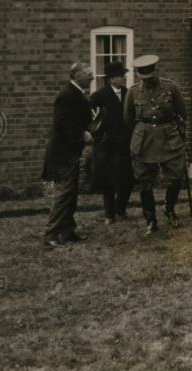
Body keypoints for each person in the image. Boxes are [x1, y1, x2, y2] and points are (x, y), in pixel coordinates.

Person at [124, 54, 188, 236]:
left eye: (150, 77)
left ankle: (169, 208)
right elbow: (128, 119)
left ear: (155, 72)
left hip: (169, 137)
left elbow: (182, 113)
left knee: (176, 176)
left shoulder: (170, 87)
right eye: (143, 78)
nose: (147, 81)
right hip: (144, 140)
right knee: (145, 182)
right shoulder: (133, 92)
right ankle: (150, 220)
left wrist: (180, 134)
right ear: (138, 75)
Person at [41, 62, 94, 248]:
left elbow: (84, 119)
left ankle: (67, 231)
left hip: (70, 152)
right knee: (63, 194)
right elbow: (62, 123)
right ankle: (50, 235)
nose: (92, 77)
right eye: (89, 74)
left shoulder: (78, 95)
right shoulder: (66, 95)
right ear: (77, 75)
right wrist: (82, 135)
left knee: (70, 193)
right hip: (62, 154)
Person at [89, 61, 134, 224]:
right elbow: (90, 118)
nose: (123, 78)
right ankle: (110, 214)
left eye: (124, 75)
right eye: (120, 75)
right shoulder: (99, 95)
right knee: (108, 180)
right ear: (110, 79)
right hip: (107, 145)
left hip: (126, 143)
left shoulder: (129, 93)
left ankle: (120, 208)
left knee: (128, 178)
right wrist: (97, 133)